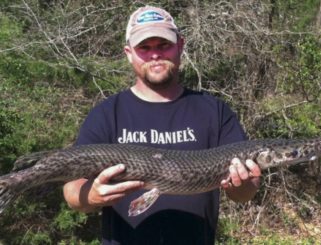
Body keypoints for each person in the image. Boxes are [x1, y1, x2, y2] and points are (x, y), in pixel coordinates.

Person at [63, 5, 261, 245]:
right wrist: (91, 196)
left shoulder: (215, 111)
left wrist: (242, 184)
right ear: (129, 53)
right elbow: (72, 190)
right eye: (144, 48)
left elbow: (243, 194)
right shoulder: (106, 114)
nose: (155, 54)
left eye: (164, 45)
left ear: (180, 45)